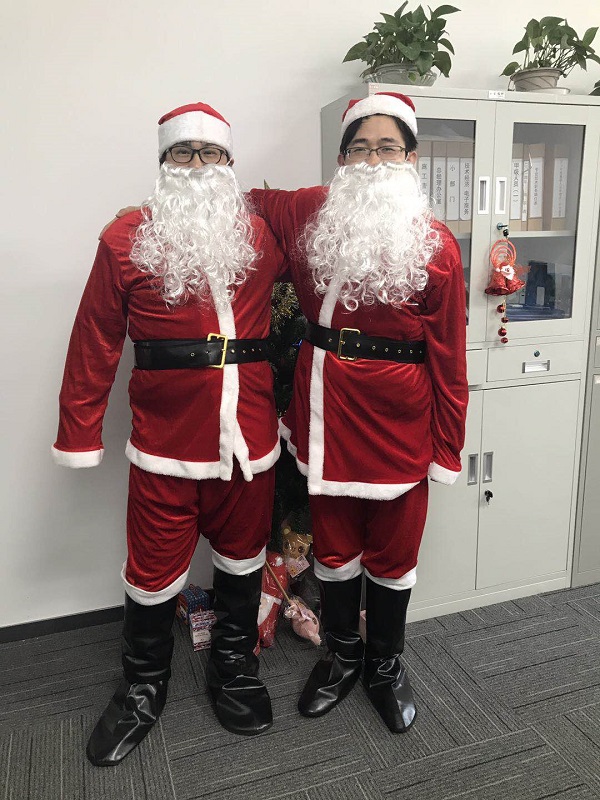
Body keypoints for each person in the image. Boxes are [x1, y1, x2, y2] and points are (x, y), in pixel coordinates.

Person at [53, 102, 286, 766]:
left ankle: (234, 668)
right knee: (152, 572)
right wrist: (79, 432)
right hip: (164, 444)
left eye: (211, 153)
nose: (198, 165)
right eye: (183, 153)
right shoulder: (126, 237)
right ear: (163, 163)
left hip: (249, 442)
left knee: (242, 558)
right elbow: (95, 339)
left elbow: (329, 243)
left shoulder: (259, 235)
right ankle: (142, 687)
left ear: (229, 163)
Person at [248, 92, 468, 734]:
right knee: (336, 546)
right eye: (360, 148)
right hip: (326, 412)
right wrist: (148, 212)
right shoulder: (311, 210)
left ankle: (385, 666)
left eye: (387, 148)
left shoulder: (437, 245)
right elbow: (247, 201)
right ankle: (342, 658)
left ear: (412, 158)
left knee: (394, 554)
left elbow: (450, 358)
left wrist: (447, 447)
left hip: (401, 421)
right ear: (342, 158)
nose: (373, 161)